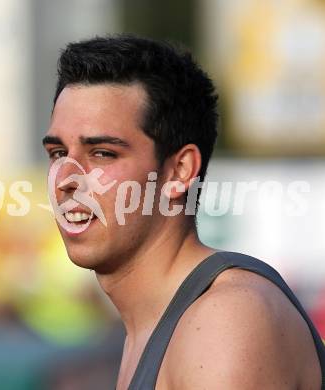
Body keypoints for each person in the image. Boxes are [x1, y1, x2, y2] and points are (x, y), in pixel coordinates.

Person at [42, 35, 325, 389]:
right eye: (57, 153)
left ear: (179, 172)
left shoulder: (224, 321)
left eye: (102, 153)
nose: (67, 178)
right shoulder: (155, 325)